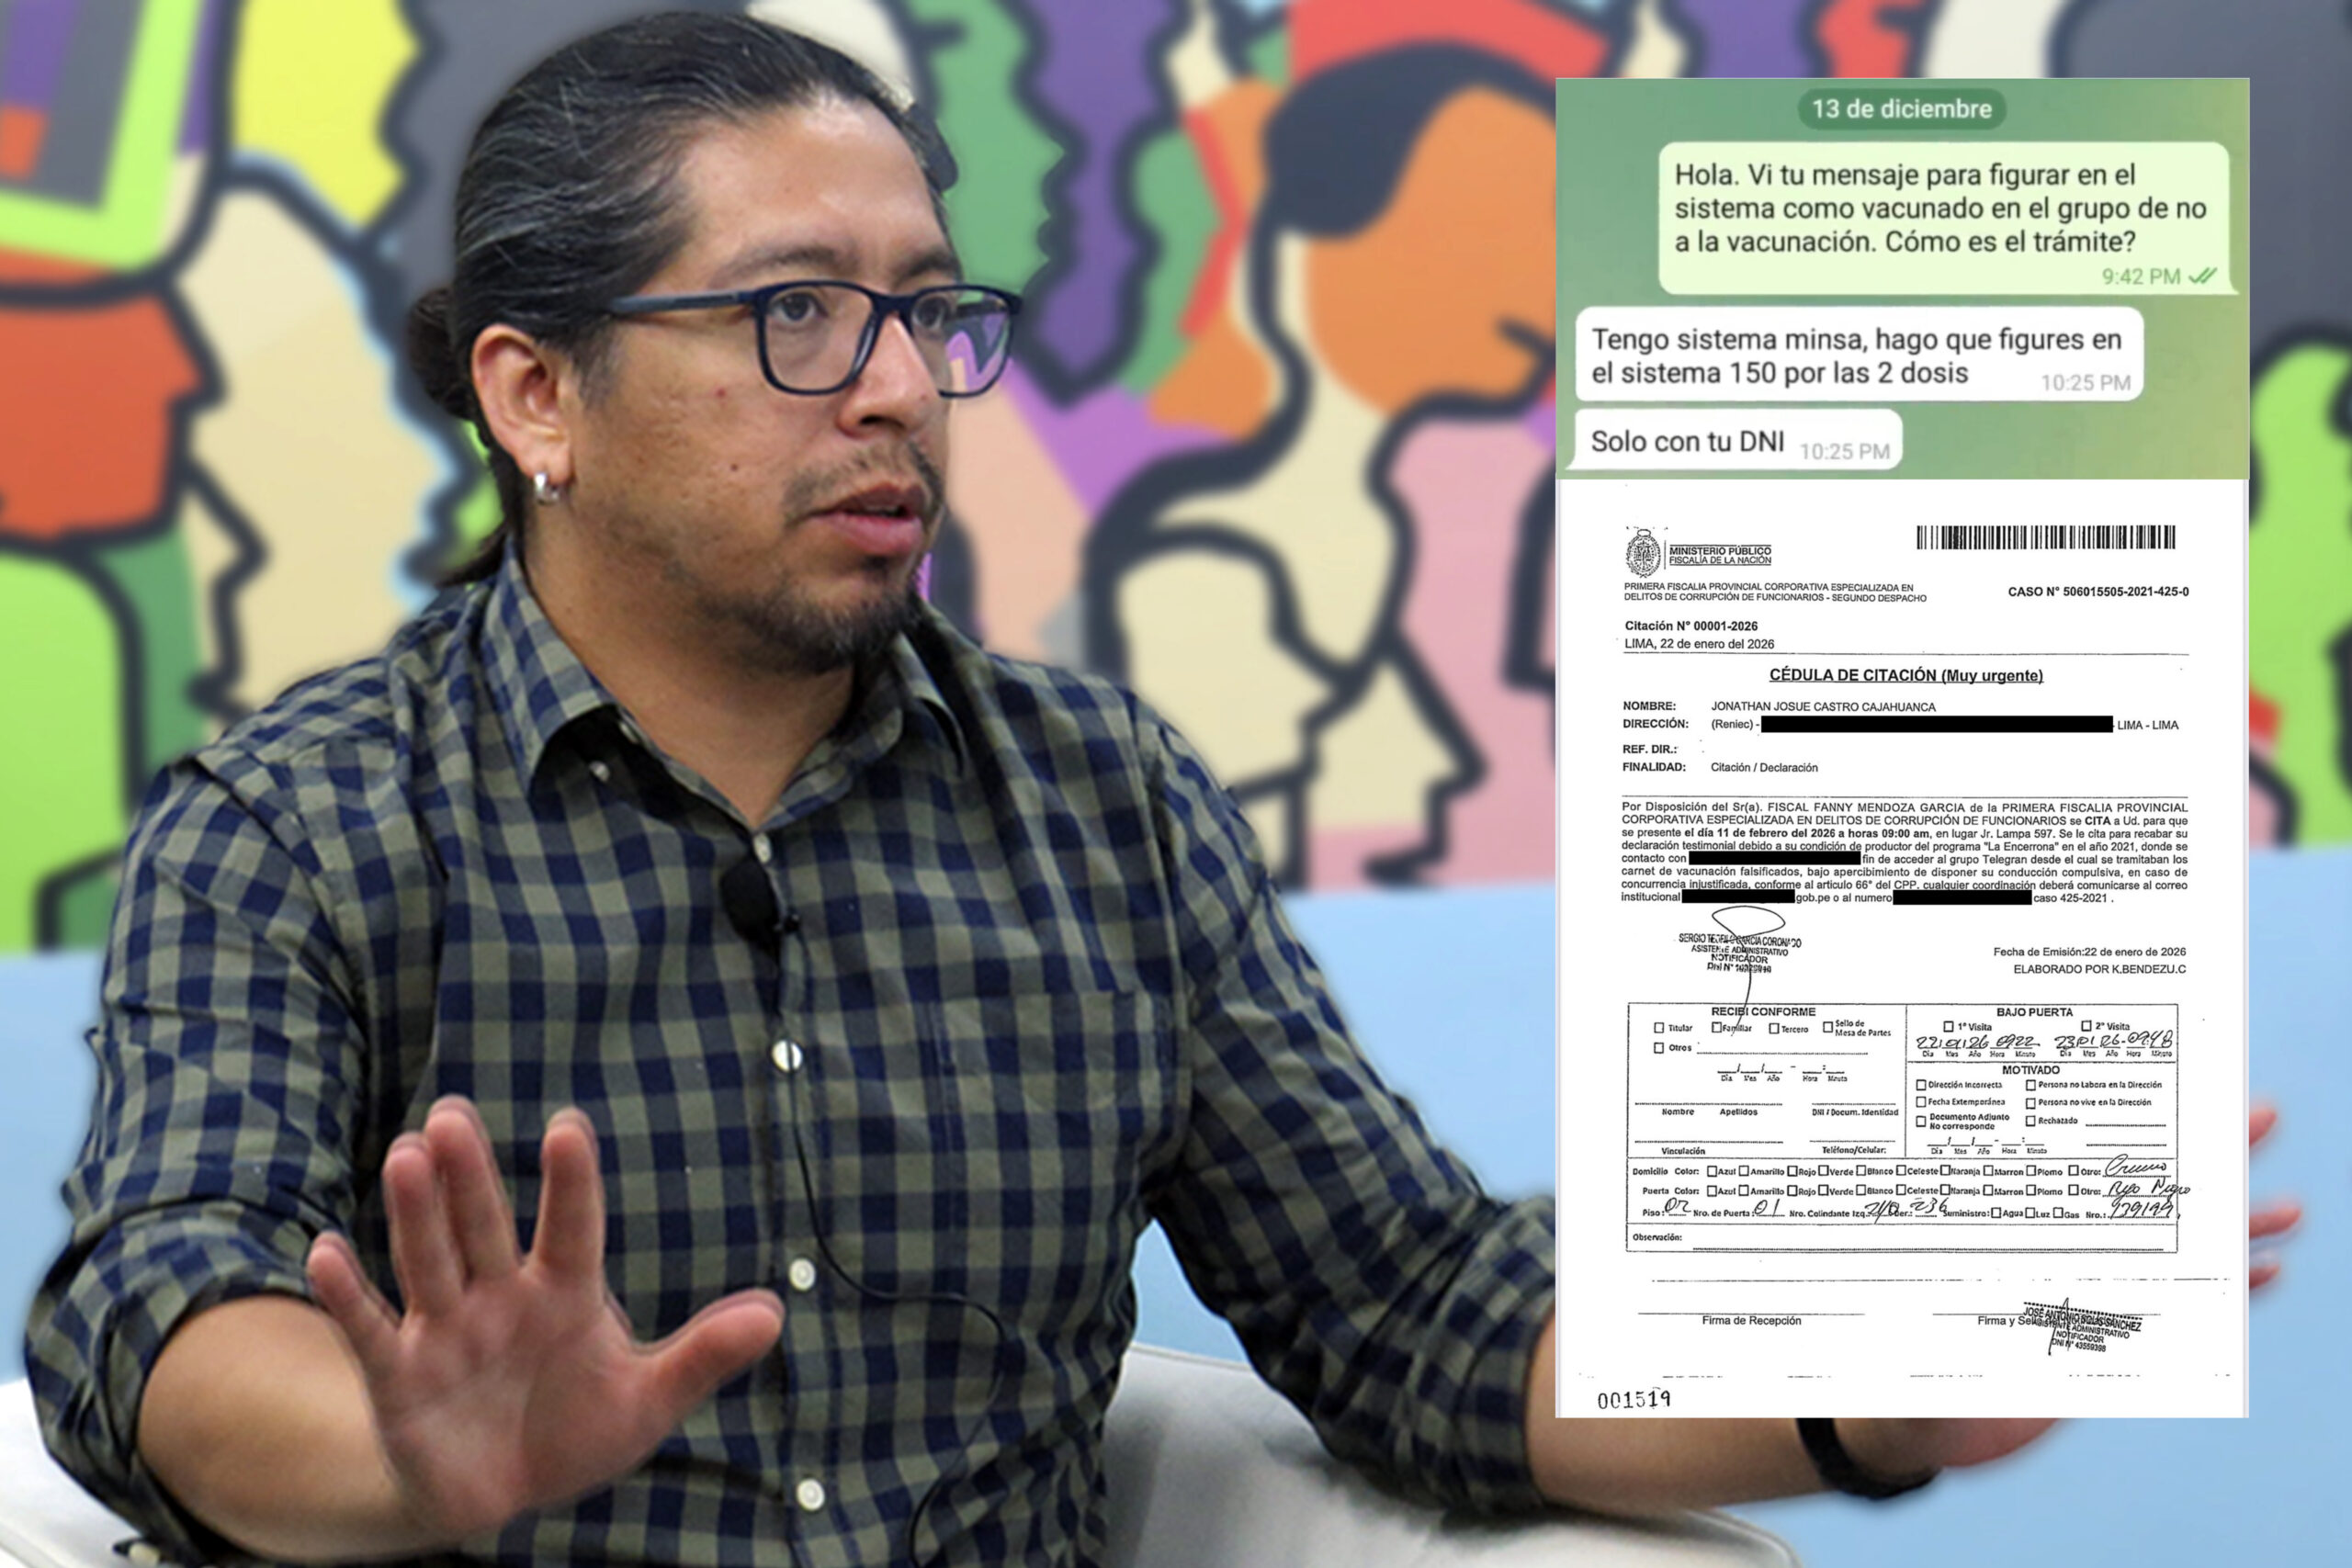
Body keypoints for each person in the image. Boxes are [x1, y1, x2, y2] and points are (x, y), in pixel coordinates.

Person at [26, 14, 2283, 1568]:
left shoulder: (1100, 800)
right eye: (798, 315)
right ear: (539, 394)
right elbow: (159, 1309)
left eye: (929, 314)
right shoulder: (297, 821)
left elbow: (1410, 1307)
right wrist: (412, 1451)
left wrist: (1848, 1394)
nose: (898, 390)